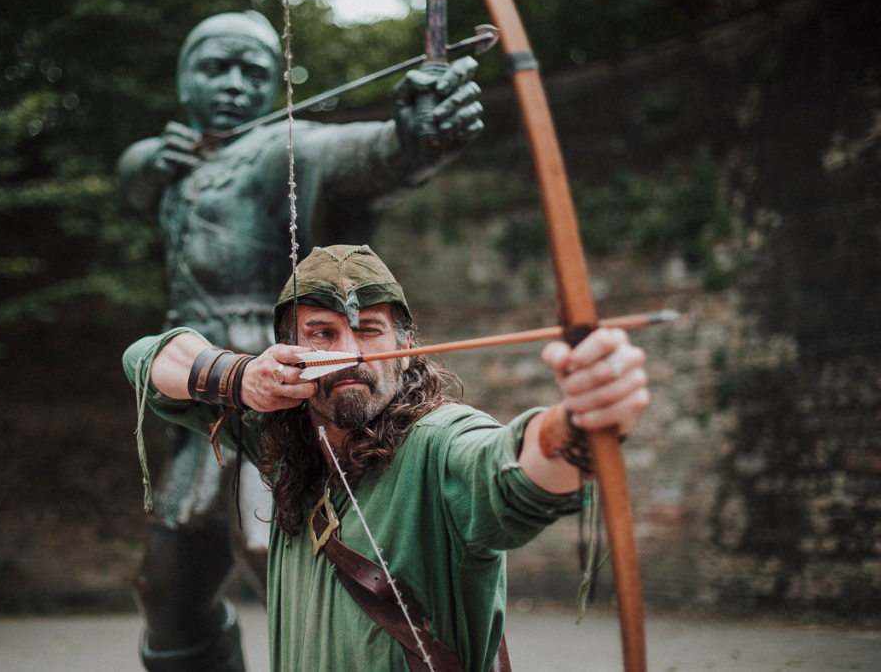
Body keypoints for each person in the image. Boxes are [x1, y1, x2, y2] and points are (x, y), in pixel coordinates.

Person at [117, 11, 486, 672]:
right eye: (214, 68)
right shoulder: (177, 164)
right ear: (183, 82)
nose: (233, 85)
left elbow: (362, 155)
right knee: (167, 595)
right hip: (203, 399)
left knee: (304, 565)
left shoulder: (282, 150)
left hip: (280, 396)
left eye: (254, 72)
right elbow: (137, 175)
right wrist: (152, 161)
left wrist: (415, 138)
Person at [124, 244, 650, 672]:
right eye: (322, 334)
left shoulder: (439, 443)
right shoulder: (280, 440)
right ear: (287, 354)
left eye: (369, 330)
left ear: (404, 344)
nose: (350, 351)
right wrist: (237, 378)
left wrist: (579, 423)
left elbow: (509, 469)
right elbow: (144, 359)